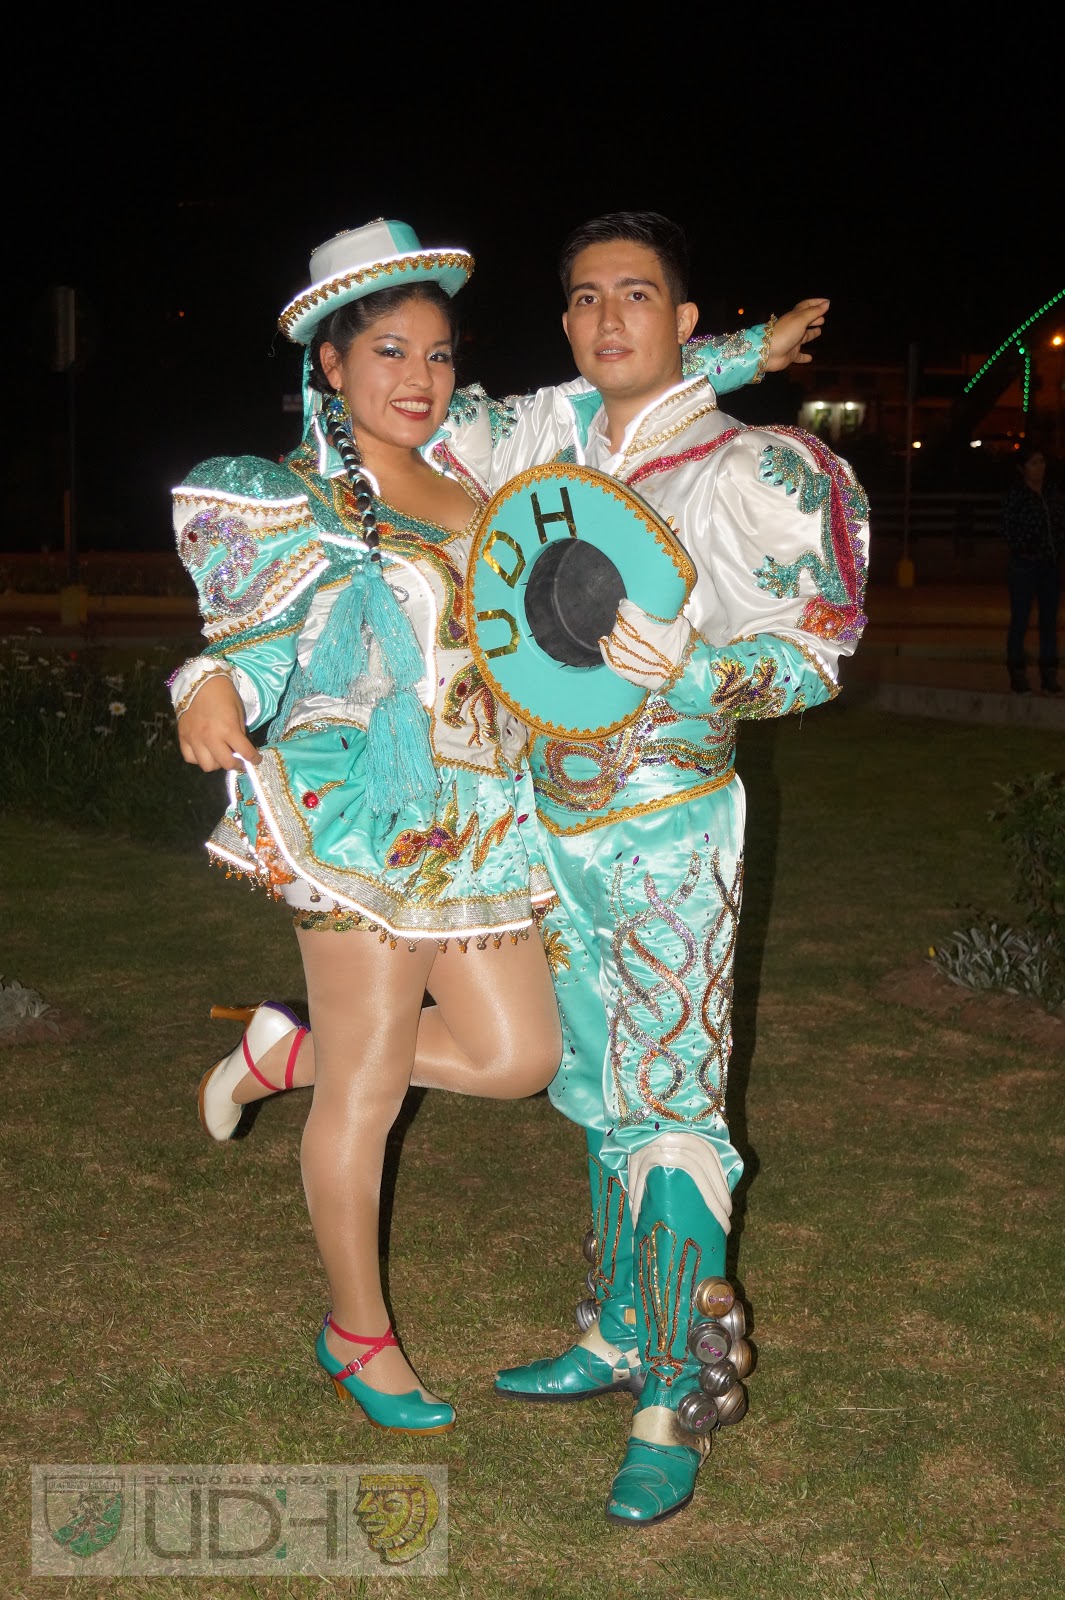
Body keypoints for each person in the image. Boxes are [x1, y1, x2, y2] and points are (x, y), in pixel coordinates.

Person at [172, 218, 823, 1441]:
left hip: (486, 821)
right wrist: (202, 687)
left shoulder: (470, 463)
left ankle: (291, 1050)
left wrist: (749, 351)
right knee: (369, 1085)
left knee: (523, 1055)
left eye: (437, 354)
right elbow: (246, 645)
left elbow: (616, 375)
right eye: (387, 354)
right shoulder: (303, 499)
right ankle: (357, 1331)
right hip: (368, 821)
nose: (419, 378)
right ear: (330, 365)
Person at [1000, 443, 1064, 695]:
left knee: (1049, 620)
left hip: (1049, 564)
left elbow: (1059, 522)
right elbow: (1007, 528)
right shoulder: (1017, 496)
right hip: (1025, 564)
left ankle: (1049, 673)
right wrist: (1024, 546)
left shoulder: (1051, 493)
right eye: (1033, 463)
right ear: (1022, 468)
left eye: (1042, 462)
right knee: (1020, 619)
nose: (1039, 468)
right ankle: (1017, 672)